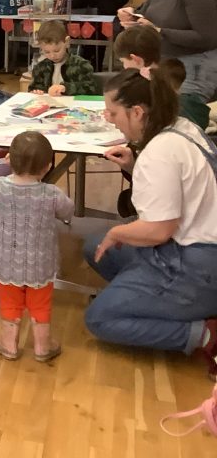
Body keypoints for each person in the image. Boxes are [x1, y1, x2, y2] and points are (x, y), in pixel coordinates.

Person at [83, 67, 217, 379]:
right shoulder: (181, 126)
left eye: (113, 113)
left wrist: (117, 231)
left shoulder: (160, 151)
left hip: (198, 263)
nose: (108, 118)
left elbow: (159, 230)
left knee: (99, 319)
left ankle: (206, 334)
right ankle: (154, 300)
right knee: (95, 247)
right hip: (193, 246)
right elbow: (175, 191)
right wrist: (134, 165)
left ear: (138, 112)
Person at [0, 131, 74, 362]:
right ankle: (42, 347)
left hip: (6, 263)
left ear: (9, 159)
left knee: (10, 303)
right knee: (40, 304)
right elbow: (68, 211)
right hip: (40, 264)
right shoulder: (52, 194)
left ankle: (9, 344)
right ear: (48, 166)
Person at [114, 26, 210, 131]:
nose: (124, 67)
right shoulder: (166, 76)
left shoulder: (159, 89)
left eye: (123, 62)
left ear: (136, 59)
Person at [28, 19, 98, 96]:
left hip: (73, 103)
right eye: (47, 52)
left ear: (67, 42)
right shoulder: (40, 68)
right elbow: (33, 89)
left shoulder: (81, 65)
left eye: (57, 51)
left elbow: (90, 88)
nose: (52, 56)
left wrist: (65, 88)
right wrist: (37, 92)